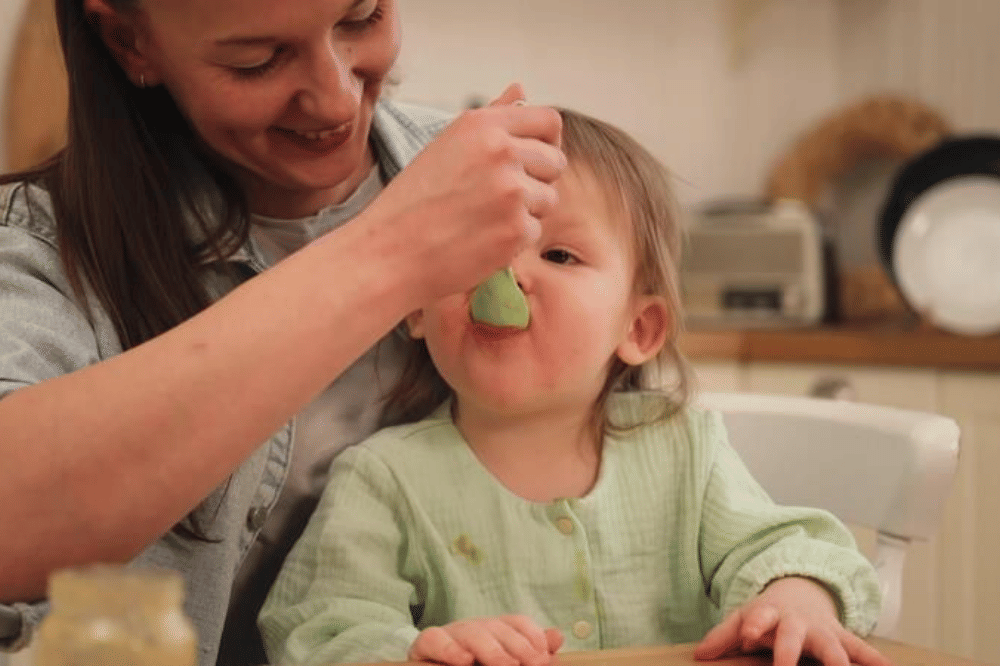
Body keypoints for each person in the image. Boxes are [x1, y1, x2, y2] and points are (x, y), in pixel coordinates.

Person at [0, 0, 566, 664]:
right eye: (257, 60)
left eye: (363, 18)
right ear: (130, 41)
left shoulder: (510, 190)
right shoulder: (42, 248)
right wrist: (391, 251)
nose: (333, 98)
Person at [257, 108, 891, 666]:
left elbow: (782, 548)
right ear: (416, 306)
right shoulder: (383, 480)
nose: (506, 277)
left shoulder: (683, 448)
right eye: (480, 251)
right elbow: (320, 630)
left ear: (639, 329)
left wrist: (793, 597)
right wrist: (418, 649)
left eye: (559, 256)